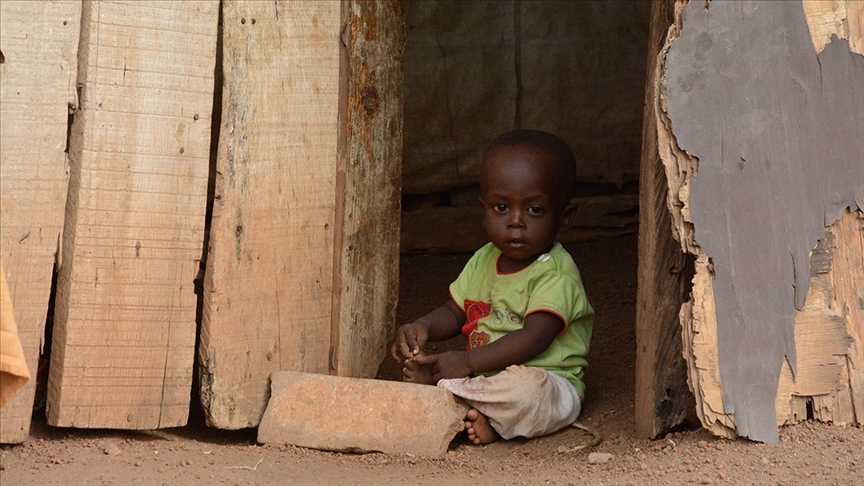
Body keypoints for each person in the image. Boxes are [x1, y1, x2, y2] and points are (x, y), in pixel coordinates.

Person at [390, 130, 594, 445]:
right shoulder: (484, 259)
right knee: (456, 377)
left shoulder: (556, 273)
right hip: (483, 378)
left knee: (527, 392)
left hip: (548, 381)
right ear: (483, 210)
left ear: (564, 217)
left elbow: (535, 338)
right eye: (501, 208)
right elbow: (453, 311)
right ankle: (463, 404)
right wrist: (423, 326)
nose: (516, 221)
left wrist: (466, 362)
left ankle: (478, 415)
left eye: (534, 210)